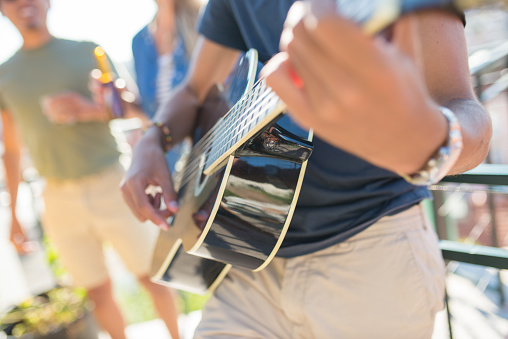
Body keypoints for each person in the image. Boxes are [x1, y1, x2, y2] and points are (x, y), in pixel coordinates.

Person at [121, 0, 492, 337]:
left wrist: (429, 143)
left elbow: (467, 113)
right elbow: (193, 90)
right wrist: (154, 139)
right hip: (250, 264)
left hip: (373, 254)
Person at [0, 1, 180, 338]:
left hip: (113, 181)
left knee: (151, 276)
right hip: (55, 195)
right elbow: (10, 150)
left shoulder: (88, 51)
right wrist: (13, 216)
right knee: (97, 292)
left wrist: (88, 110)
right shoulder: (5, 75)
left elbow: (136, 111)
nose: (24, 3)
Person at [131, 0, 201, 170]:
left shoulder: (205, 22)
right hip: (169, 164)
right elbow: (152, 117)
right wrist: (125, 103)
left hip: (208, 154)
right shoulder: (139, 41)